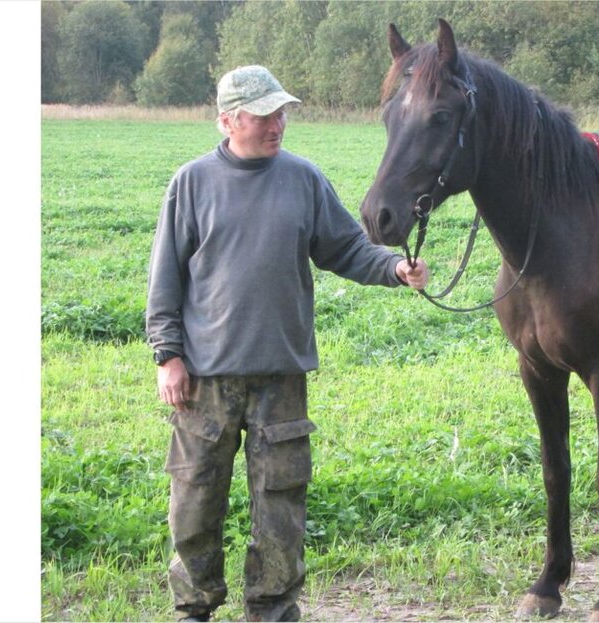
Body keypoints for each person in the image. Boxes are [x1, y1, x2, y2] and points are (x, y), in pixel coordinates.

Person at [145, 65, 429, 622]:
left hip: (281, 378)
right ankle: (193, 609)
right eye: (264, 115)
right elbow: (165, 281)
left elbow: (347, 248)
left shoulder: (303, 179)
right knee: (194, 505)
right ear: (228, 120)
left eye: (282, 113)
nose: (278, 124)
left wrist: (394, 267)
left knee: (281, 510)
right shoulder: (192, 182)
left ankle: (273, 611)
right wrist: (168, 356)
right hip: (205, 379)